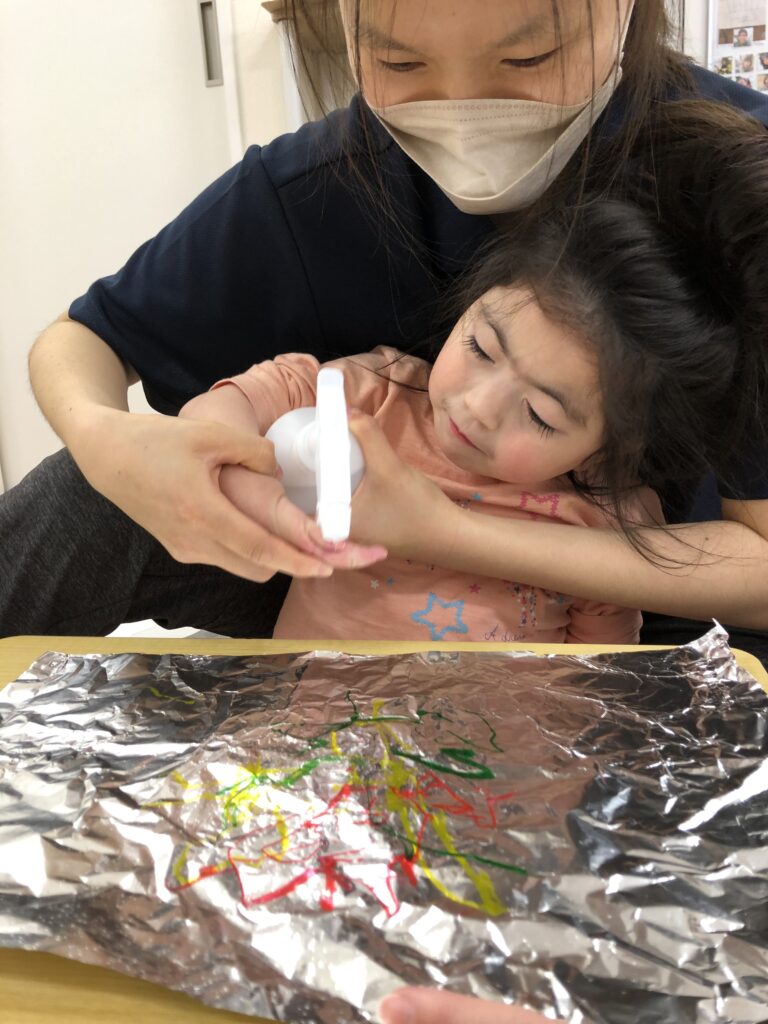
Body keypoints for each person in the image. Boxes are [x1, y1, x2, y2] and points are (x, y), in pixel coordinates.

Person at [3, 1, 768, 1021]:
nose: (462, 103)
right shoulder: (324, 204)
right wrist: (117, 442)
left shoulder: (741, 196)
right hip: (334, 571)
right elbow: (83, 342)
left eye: (528, 54)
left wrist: (447, 531)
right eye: (398, 60)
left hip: (658, 603)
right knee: (84, 492)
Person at [180, 196, 760, 646]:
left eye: (539, 414)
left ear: (610, 447)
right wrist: (228, 457)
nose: (479, 406)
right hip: (322, 732)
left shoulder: (607, 525)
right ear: (469, 304)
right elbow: (236, 405)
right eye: (482, 347)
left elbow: (596, 679)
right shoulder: (373, 399)